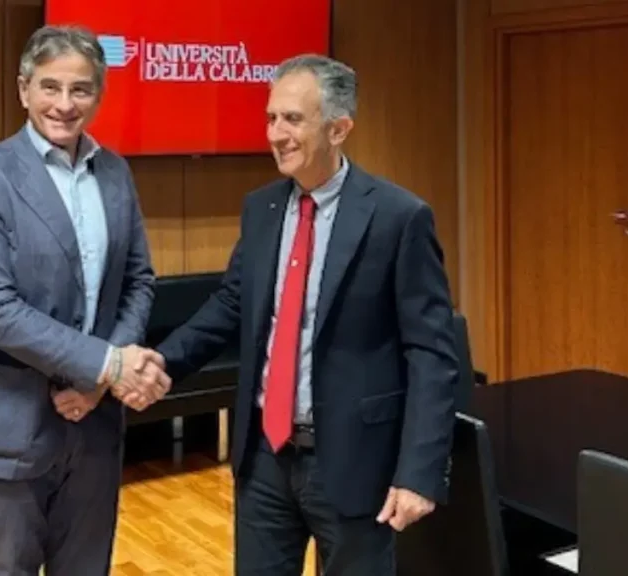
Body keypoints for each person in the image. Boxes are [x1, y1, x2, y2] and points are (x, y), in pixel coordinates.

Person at [140, 54, 459, 574]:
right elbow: (232, 303)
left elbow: (431, 353)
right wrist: (161, 362)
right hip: (264, 460)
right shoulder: (261, 208)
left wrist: (419, 473)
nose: (276, 134)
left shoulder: (398, 218)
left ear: (338, 128)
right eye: (271, 118)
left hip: (356, 464)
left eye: (292, 119)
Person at [0, 25, 170, 576]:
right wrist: (108, 365)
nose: (64, 105)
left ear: (99, 95)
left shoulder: (114, 173)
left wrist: (99, 382)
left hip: (93, 430)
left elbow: (138, 281)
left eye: (80, 90)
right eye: (50, 87)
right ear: (24, 89)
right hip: (10, 432)